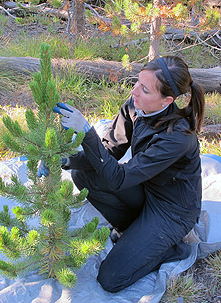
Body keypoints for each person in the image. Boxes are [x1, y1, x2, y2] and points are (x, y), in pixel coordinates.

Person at [40, 56, 205, 293]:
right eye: (138, 82)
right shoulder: (135, 106)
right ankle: (131, 228)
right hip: (146, 188)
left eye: (145, 90)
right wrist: (66, 160)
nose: (135, 91)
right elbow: (108, 151)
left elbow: (119, 178)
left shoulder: (177, 136)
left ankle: (172, 249)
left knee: (110, 279)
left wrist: (87, 132)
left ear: (166, 101)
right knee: (82, 173)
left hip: (172, 211)